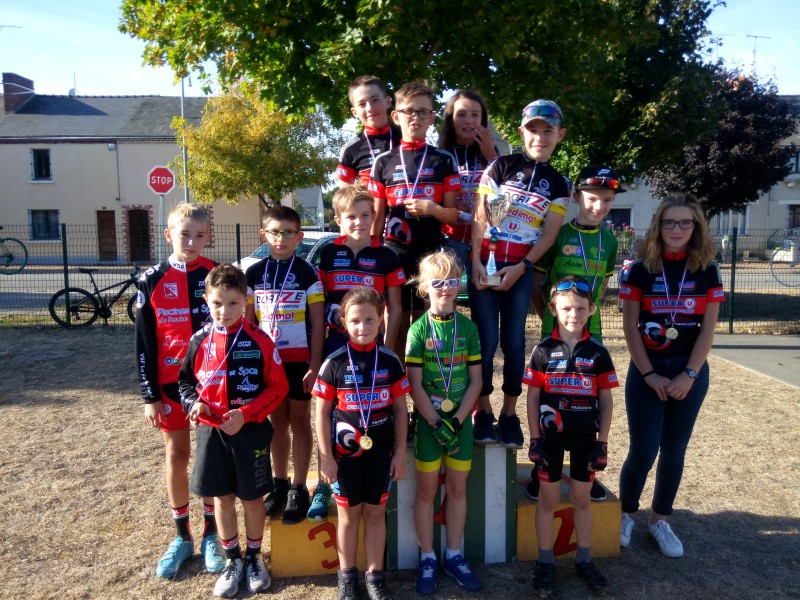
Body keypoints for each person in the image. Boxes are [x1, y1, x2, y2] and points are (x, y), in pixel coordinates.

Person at [618, 193, 723, 558]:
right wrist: (649, 374)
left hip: (688, 374)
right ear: (658, 226)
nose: (676, 229)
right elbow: (630, 327)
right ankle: (626, 514)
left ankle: (660, 520)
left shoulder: (707, 269)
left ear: (696, 227)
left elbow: (708, 330)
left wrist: (689, 375)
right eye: (669, 222)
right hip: (647, 373)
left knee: (674, 451)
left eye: (684, 223)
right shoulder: (639, 269)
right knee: (643, 450)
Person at [179, 264, 289, 597]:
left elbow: (278, 387)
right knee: (222, 498)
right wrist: (194, 405)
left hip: (250, 432)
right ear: (206, 301)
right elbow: (184, 383)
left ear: (245, 301)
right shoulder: (199, 340)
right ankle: (233, 560)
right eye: (216, 303)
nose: (224, 311)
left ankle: (254, 558)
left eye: (232, 303)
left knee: (252, 500)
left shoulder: (261, 341)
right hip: (212, 434)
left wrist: (246, 413)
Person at [470, 99, 571, 447]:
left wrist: (523, 268)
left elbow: (549, 235)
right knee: (485, 343)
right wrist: (476, 263)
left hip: (520, 270)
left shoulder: (560, 184)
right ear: (521, 133)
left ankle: (509, 415)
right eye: (533, 130)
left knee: (514, 343)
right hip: (485, 267)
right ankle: (483, 411)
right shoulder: (500, 166)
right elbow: (481, 219)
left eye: (547, 131)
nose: (539, 137)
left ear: (560, 135)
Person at [135, 203, 225, 578]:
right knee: (177, 454)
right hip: (169, 387)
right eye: (184, 234)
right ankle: (182, 535)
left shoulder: (216, 275)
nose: (191, 242)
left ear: (208, 238)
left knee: (209, 457)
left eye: (199, 236)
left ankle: (211, 534)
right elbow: (144, 343)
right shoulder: (150, 279)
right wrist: (150, 396)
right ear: (168, 234)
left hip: (210, 385)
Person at [309, 184, 407, 522]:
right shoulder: (327, 253)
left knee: (369, 410)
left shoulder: (387, 255)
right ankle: (325, 483)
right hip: (335, 346)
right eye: (351, 216)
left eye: (366, 215)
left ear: (374, 216)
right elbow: (319, 305)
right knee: (329, 412)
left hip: (373, 347)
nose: (359, 222)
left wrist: (387, 348)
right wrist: (316, 356)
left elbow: (396, 307)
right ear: (338, 219)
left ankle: (381, 462)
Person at [528, 164, 624, 502]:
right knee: (549, 397)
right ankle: (543, 467)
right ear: (577, 197)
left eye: (607, 200)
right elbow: (535, 284)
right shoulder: (558, 234)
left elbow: (603, 288)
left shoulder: (610, 240)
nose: (599, 206)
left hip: (591, 332)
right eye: (593, 198)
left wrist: (587, 318)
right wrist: (548, 315)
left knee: (590, 399)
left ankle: (587, 470)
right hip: (555, 331)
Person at [314, 287, 409, 600]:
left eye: (370, 320)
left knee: (375, 515)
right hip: (344, 458)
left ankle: (375, 577)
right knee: (348, 516)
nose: (363, 327)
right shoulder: (334, 362)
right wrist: (326, 458)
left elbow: (400, 409)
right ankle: (347, 577)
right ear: (343, 322)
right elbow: (321, 412)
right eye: (355, 320)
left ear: (381, 319)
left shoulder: (391, 361)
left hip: (381, 454)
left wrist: (400, 453)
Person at [524, 276, 617, 597]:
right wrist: (534, 439)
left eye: (580, 308)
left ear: (591, 309)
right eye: (566, 308)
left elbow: (606, 400)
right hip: (549, 439)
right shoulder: (542, 350)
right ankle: (545, 562)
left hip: (585, 439)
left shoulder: (598, 353)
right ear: (553, 309)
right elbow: (532, 398)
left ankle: (584, 560)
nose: (573, 314)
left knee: (581, 499)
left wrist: (602, 443)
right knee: (548, 500)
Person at [405, 251, 483, 595]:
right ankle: (427, 557)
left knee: (457, 489)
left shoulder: (469, 327)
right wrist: (437, 423)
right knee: (426, 491)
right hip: (429, 424)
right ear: (424, 286)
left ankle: (453, 554)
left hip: (460, 424)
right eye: (438, 282)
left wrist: (458, 420)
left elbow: (477, 381)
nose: (447, 288)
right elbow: (414, 384)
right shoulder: (417, 329)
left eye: (453, 281)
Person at [243, 205, 325, 524]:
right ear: (263, 234)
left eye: (289, 232)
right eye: (275, 232)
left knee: (300, 419)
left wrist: (314, 365)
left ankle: (299, 487)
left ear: (299, 237)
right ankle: (279, 482)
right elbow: (249, 324)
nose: (282, 238)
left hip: (299, 360)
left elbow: (319, 323)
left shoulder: (308, 273)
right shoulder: (253, 273)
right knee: (277, 420)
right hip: (268, 363)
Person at [368, 80, 461, 358]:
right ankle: (396, 377)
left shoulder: (443, 160)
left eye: (423, 112)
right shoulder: (383, 161)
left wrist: (432, 208)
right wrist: (372, 253)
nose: (416, 118)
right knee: (395, 323)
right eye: (409, 111)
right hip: (394, 253)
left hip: (430, 254)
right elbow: (377, 216)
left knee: (425, 324)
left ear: (432, 118)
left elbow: (453, 216)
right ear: (396, 116)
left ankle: (424, 382)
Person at [437, 90, 499, 270]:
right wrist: (449, 203)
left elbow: (504, 192)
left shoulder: (492, 151)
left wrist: (493, 157)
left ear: (482, 119)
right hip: (449, 237)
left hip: (484, 238)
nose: (469, 121)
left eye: (475, 115)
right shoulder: (440, 154)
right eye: (461, 114)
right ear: (451, 120)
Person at [337, 75, 402, 187]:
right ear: (354, 112)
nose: (370, 108)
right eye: (362, 104)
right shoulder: (350, 150)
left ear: (387, 102)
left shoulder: (407, 139)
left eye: (375, 100)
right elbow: (345, 195)